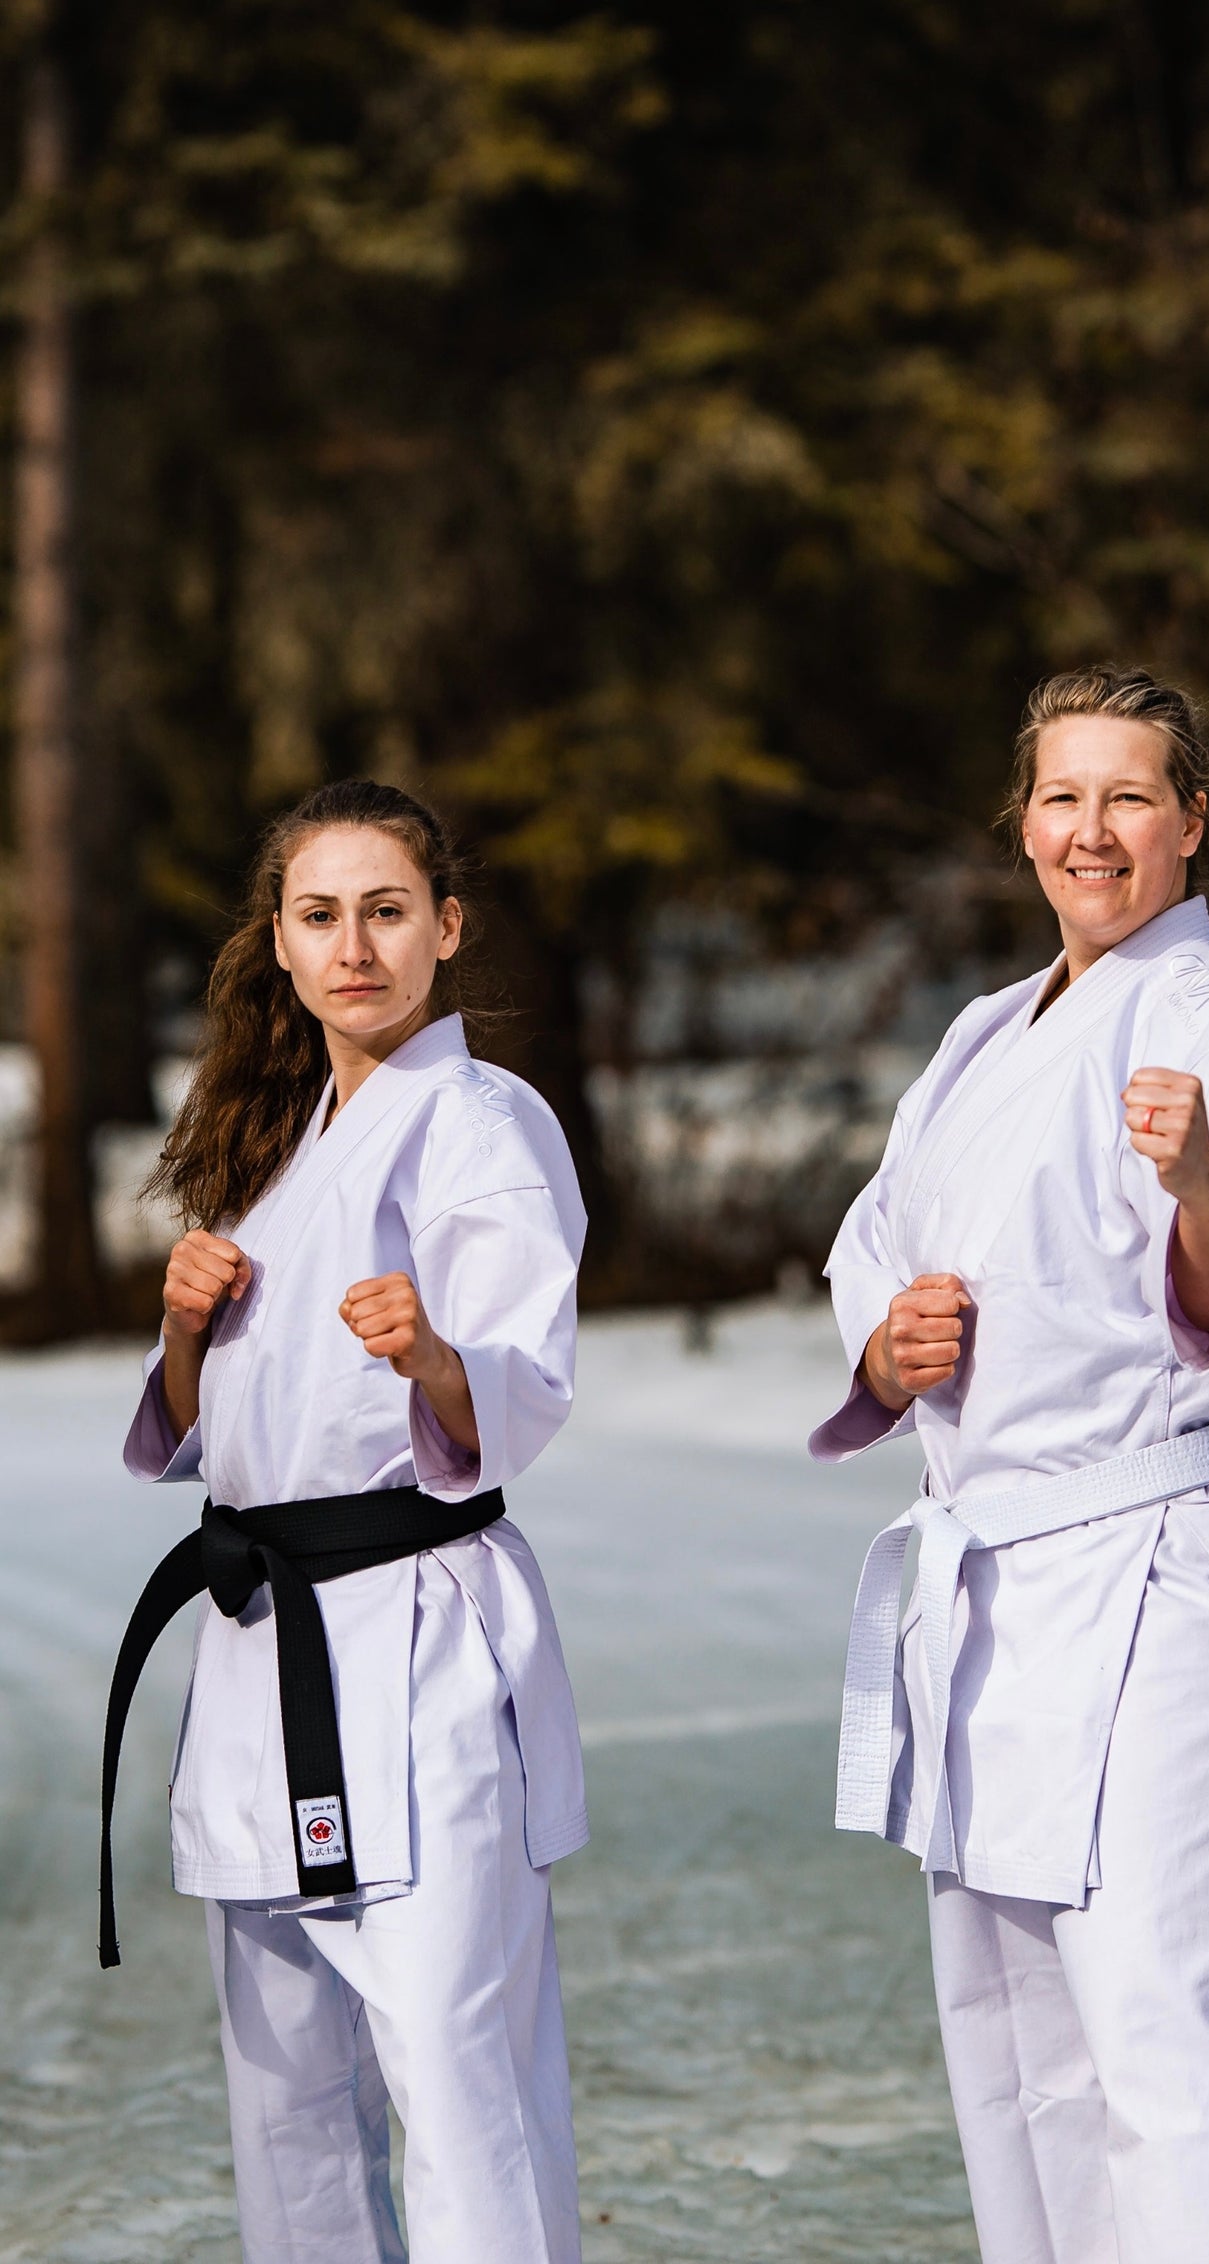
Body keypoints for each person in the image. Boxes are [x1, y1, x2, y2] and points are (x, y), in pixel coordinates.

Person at [810, 668, 1209, 2264]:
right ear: (1020, 823)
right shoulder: (985, 1034)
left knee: (1187, 2047)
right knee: (1024, 2061)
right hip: (995, 1595)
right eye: (1061, 797)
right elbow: (878, 1256)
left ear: (1193, 822)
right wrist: (889, 1345)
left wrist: (1197, 1187)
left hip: (1170, 1576)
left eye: (1129, 797)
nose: (1090, 830)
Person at [103, 779, 588, 2264]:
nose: (354, 945)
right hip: (263, 1641)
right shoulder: (271, 1138)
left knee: (453, 2074)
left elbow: (520, 1376)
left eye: (387, 911)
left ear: (448, 928)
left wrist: (434, 1354)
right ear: (282, 938)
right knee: (288, 2099)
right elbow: (214, 1432)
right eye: (321, 915)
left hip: (416, 1639)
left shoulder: (481, 1120)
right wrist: (184, 1330)